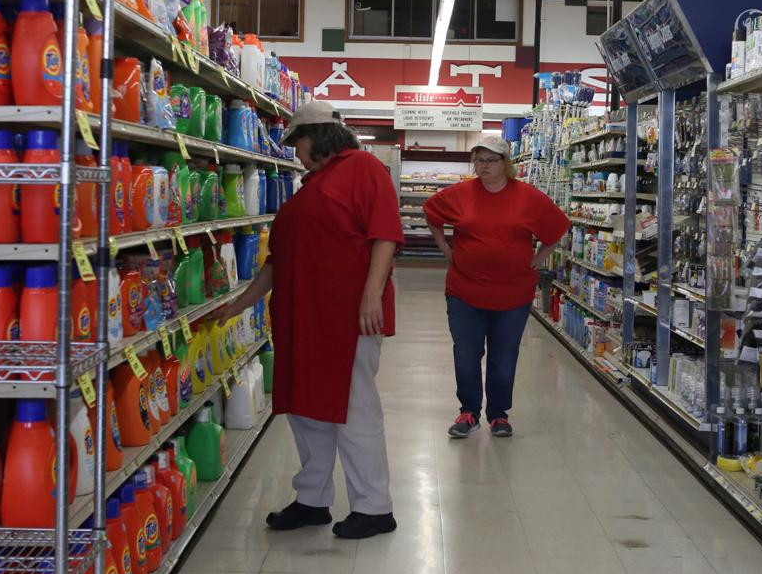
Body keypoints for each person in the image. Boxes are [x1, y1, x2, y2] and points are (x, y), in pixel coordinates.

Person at [214, 101, 404, 540]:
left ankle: (374, 507)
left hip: (348, 317)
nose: (294, 152)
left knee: (353, 408)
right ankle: (312, 498)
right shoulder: (313, 185)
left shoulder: (362, 169)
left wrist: (371, 296)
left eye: (296, 141)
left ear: (317, 136)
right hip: (304, 317)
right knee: (306, 409)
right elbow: (278, 261)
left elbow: (385, 236)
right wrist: (241, 304)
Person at [424, 133, 570, 438]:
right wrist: (446, 250)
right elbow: (431, 213)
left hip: (513, 294)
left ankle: (499, 415)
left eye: (491, 160)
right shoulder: (460, 194)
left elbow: (557, 228)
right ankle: (469, 412)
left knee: (504, 357)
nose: (484, 165)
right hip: (465, 291)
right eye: (479, 159)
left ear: (506, 163)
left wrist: (538, 258)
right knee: (466, 355)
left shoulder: (528, 197)